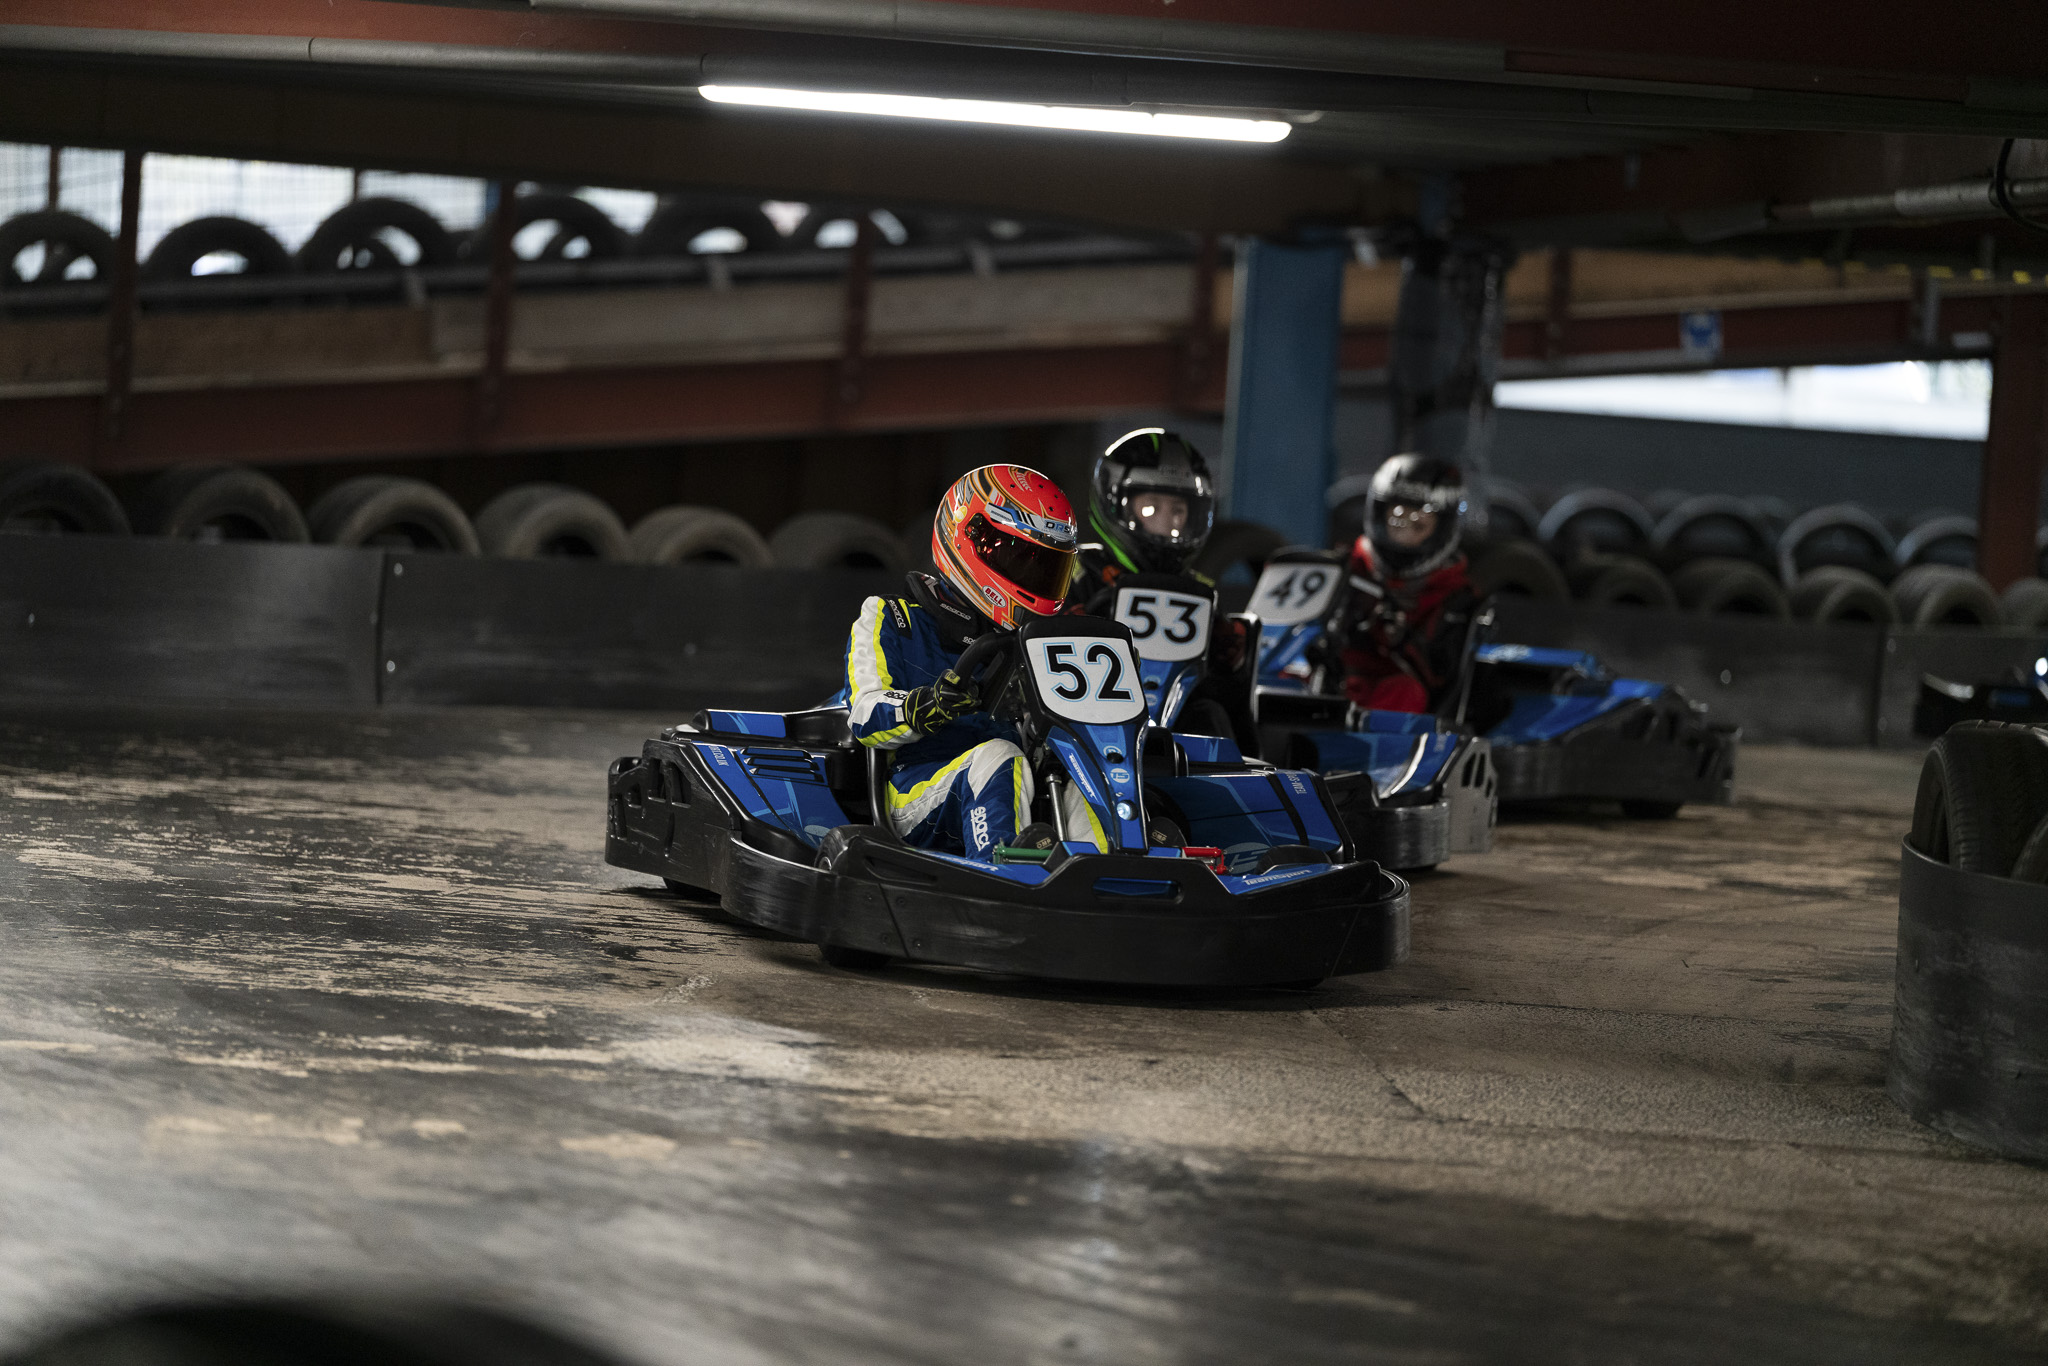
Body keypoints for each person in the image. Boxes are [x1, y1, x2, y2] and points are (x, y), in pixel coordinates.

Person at [836, 464, 1078, 861]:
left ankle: (1112, 870)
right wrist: (923, 706)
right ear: (970, 537)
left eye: (1046, 568)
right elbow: (864, 714)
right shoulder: (892, 617)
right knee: (999, 756)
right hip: (916, 789)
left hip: (1020, 787)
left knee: (1078, 773)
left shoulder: (1040, 644)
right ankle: (1000, 873)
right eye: (1022, 559)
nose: (1034, 577)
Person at [1071, 428, 1256, 749]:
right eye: (1150, 509)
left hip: (1175, 737)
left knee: (1211, 715)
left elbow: (1225, 692)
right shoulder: (1077, 573)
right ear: (1114, 505)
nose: (1166, 525)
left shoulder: (1199, 591)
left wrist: (1229, 658)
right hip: (1088, 717)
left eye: (1178, 511)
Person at [1340, 453, 1481, 715]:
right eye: (1397, 519)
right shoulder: (1347, 566)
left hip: (1386, 698)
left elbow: (1443, 676)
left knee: (1405, 693)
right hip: (1332, 677)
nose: (1404, 532)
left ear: (1442, 528)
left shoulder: (1455, 596)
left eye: (1418, 524)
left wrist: (1401, 637)